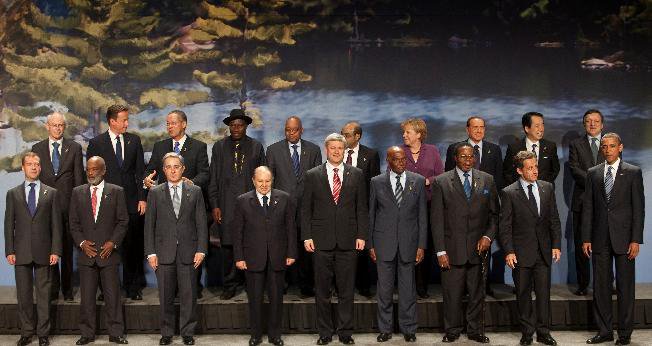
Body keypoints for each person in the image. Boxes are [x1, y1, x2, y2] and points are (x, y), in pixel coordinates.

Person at [302, 133, 368, 345]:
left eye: (340, 148)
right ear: (326, 150)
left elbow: (362, 208)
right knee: (322, 291)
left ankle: (345, 332)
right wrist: (307, 236)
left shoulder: (356, 174)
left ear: (344, 149)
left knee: (346, 290)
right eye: (333, 148)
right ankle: (325, 332)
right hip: (321, 241)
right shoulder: (313, 175)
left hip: (349, 241)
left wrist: (361, 235)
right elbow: (306, 210)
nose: (337, 151)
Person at [432, 143, 499, 344]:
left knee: (477, 293)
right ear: (455, 158)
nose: (468, 160)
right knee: (452, 294)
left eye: (471, 157)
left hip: (478, 249)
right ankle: (452, 330)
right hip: (451, 249)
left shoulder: (487, 180)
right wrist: (440, 251)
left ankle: (475, 330)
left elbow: (494, 215)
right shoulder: (442, 182)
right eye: (463, 156)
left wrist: (488, 237)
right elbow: (436, 220)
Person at [582, 133, 644, 346]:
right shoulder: (593, 173)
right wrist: (586, 238)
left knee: (626, 287)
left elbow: (639, 209)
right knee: (601, 287)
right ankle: (605, 331)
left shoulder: (633, 172)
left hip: (625, 239)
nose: (607, 149)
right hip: (599, 238)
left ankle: (625, 334)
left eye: (612, 146)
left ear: (620, 148)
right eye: (605, 146)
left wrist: (635, 239)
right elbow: (588, 207)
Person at [144, 109, 209, 297]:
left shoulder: (198, 146)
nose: (169, 127)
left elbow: (205, 173)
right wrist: (146, 180)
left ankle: (192, 290)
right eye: (167, 124)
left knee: (189, 275)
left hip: (188, 208)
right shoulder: (160, 146)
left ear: (184, 124)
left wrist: (192, 183)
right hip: (165, 211)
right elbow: (150, 171)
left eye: (173, 123)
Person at [145, 152, 208, 346]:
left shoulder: (195, 191)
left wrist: (201, 249)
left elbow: (201, 223)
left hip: (189, 252)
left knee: (189, 295)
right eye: (169, 167)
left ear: (183, 169)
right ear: (163, 170)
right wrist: (151, 252)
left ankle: (187, 332)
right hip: (164, 253)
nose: (173, 170)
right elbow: (149, 226)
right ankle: (166, 332)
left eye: (176, 167)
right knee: (165, 295)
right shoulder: (155, 193)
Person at [499, 151, 561, 346]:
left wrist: (556, 245)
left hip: (543, 252)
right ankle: (527, 333)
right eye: (530, 168)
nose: (535, 171)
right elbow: (505, 226)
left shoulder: (547, 188)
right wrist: (509, 251)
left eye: (536, 167)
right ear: (519, 170)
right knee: (523, 294)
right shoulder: (509, 192)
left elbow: (554, 220)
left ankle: (544, 333)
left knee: (543, 295)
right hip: (521, 253)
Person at [86, 104, 147, 301]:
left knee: (132, 247)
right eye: (123, 120)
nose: (127, 124)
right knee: (107, 247)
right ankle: (107, 290)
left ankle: (132, 288)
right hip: (106, 204)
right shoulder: (96, 143)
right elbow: (92, 176)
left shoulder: (134, 141)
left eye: (127, 120)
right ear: (112, 121)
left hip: (131, 202)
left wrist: (141, 198)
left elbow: (140, 172)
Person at [233, 166, 297, 346]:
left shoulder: (284, 198)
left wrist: (291, 252)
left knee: (277, 299)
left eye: (267, 181)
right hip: (252, 258)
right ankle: (255, 335)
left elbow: (290, 228)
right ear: (253, 181)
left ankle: (275, 335)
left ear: (272, 180)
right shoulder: (242, 200)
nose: (263, 184)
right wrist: (239, 257)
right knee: (254, 299)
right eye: (260, 181)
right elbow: (237, 232)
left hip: (278, 257)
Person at [368, 146, 427, 343]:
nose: (401, 163)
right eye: (397, 159)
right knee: (384, 291)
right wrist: (371, 245)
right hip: (383, 244)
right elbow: (371, 215)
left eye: (404, 159)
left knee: (408, 290)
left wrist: (421, 245)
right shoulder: (377, 182)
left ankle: (409, 329)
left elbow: (422, 216)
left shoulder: (417, 181)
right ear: (389, 161)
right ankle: (385, 329)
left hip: (409, 244)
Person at [69, 156, 128, 345]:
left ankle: (116, 332)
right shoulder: (77, 192)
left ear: (103, 171)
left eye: (95, 169)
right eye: (88, 169)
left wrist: (113, 243)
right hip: (87, 255)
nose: (91, 172)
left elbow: (123, 221)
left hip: (108, 253)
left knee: (113, 296)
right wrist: (81, 243)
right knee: (86, 298)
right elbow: (73, 223)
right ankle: (87, 334)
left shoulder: (116, 191)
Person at [4, 152, 61, 346]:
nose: (34, 167)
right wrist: (9, 250)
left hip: (45, 251)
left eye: (37, 164)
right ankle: (26, 332)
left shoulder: (51, 193)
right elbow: (8, 224)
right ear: (23, 167)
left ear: (40, 167)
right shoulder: (12, 193)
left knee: (44, 296)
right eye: (29, 164)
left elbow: (56, 225)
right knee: (24, 295)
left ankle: (43, 333)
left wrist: (55, 250)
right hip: (20, 252)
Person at [208, 109, 265, 300]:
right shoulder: (219, 147)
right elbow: (213, 178)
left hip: (252, 205)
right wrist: (215, 204)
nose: (236, 128)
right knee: (227, 248)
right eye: (232, 125)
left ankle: (251, 283)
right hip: (226, 205)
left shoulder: (256, 147)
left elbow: (262, 179)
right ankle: (229, 284)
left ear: (246, 126)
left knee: (251, 245)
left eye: (239, 125)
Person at [444, 116, 503, 296]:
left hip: (484, 207)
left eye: (482, 127)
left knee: (484, 246)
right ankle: (462, 288)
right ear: (467, 129)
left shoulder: (494, 149)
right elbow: (448, 177)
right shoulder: (455, 148)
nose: (479, 130)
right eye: (475, 127)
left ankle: (483, 285)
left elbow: (498, 179)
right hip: (460, 208)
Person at [32, 111, 85, 302]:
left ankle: (68, 289)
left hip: (68, 208)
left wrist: (78, 209)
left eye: (61, 125)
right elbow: (34, 181)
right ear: (47, 126)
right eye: (54, 125)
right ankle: (52, 290)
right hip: (45, 209)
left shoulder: (74, 148)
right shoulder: (36, 148)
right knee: (49, 250)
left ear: (65, 127)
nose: (58, 128)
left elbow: (79, 182)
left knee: (68, 252)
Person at [266, 116, 321, 297]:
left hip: (307, 209)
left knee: (306, 249)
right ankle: (282, 284)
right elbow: (270, 182)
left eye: (295, 129)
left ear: (301, 130)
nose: (291, 133)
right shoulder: (273, 150)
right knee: (282, 247)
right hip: (282, 209)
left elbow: (317, 181)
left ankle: (306, 285)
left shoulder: (313, 150)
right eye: (288, 129)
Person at [400, 118, 444, 298]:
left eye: (407, 132)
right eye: (403, 132)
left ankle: (422, 286)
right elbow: (392, 176)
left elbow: (441, 177)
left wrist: (427, 181)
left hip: (429, 205)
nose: (404, 135)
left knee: (425, 246)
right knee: (408, 247)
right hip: (407, 209)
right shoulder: (399, 152)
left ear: (418, 134)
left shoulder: (432, 151)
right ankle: (407, 287)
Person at [341, 121, 380, 298]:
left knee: (362, 248)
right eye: (342, 134)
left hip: (362, 208)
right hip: (341, 208)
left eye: (347, 135)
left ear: (358, 136)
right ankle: (341, 285)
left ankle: (364, 285)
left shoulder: (370, 155)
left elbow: (374, 184)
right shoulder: (336, 152)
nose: (344, 138)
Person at [568, 109, 605, 296]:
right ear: (584, 124)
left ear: (602, 124)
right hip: (581, 202)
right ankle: (583, 284)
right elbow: (574, 169)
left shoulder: (610, 143)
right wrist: (595, 180)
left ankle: (606, 283)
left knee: (605, 244)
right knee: (582, 244)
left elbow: (614, 167)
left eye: (596, 121)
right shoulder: (576, 144)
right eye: (588, 121)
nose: (592, 124)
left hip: (605, 203)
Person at [503, 112, 559, 186]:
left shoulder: (550, 146)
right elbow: (508, 172)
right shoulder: (514, 148)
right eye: (537, 126)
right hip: (521, 193)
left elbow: (555, 170)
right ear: (527, 128)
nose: (541, 129)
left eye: (542, 124)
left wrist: (544, 185)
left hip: (544, 192)